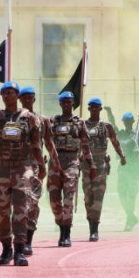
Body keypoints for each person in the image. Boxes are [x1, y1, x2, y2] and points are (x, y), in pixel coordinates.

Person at [0, 81, 46, 266]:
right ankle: (6, 248)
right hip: (2, 169)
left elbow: (36, 144)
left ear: (17, 96)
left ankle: (19, 250)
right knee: (1, 212)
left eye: (11, 93)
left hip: (22, 168)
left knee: (21, 211)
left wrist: (41, 167)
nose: (7, 96)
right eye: (4, 93)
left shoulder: (28, 117)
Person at [48, 91, 96, 247]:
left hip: (72, 162)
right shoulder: (53, 121)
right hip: (55, 163)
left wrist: (91, 164)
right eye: (64, 102)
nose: (67, 104)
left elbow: (85, 145)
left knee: (68, 199)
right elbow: (45, 139)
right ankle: (60, 224)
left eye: (69, 102)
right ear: (60, 104)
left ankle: (66, 233)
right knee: (54, 200)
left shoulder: (79, 123)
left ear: (73, 104)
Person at [18, 85, 60, 256]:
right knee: (18, 204)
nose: (27, 100)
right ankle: (17, 240)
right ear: (20, 99)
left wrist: (56, 163)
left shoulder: (43, 120)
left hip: (35, 166)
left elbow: (49, 143)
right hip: (17, 165)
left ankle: (28, 240)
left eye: (30, 97)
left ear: (34, 99)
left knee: (33, 203)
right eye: (24, 97)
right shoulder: (14, 119)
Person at [82, 98, 126, 241]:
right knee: (88, 198)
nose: (94, 110)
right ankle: (90, 223)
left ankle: (95, 229)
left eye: (97, 107)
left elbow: (115, 142)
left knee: (98, 197)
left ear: (100, 109)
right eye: (92, 107)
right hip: (87, 165)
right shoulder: (83, 125)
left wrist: (122, 156)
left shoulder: (107, 126)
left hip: (101, 165)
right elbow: (78, 144)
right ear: (89, 109)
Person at [105, 107, 139, 231]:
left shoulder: (138, 136)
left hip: (134, 166)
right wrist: (110, 113)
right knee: (121, 193)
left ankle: (129, 220)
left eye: (129, 121)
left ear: (133, 122)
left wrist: (138, 149)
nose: (127, 123)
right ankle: (131, 216)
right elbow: (112, 126)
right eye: (125, 121)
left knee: (131, 194)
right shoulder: (121, 134)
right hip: (123, 166)